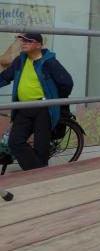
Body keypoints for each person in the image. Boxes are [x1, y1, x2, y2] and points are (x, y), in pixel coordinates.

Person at [0, 33, 73, 170]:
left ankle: (39, 175)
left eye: (29, 41)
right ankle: (40, 172)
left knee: (41, 148)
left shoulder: (49, 62)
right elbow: (5, 77)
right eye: (23, 41)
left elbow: (67, 83)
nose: (24, 43)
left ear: (39, 45)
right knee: (15, 142)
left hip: (43, 109)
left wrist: (54, 100)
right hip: (24, 108)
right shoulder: (20, 60)